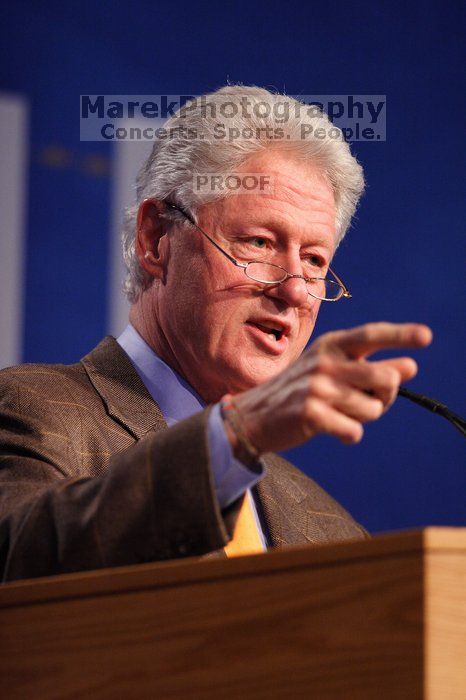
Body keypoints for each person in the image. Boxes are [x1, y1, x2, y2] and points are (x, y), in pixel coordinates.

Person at [0, 86, 431, 582]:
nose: (295, 291)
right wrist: (233, 436)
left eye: (315, 261)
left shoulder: (333, 531)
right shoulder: (30, 411)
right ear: (156, 240)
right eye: (260, 242)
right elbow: (20, 561)